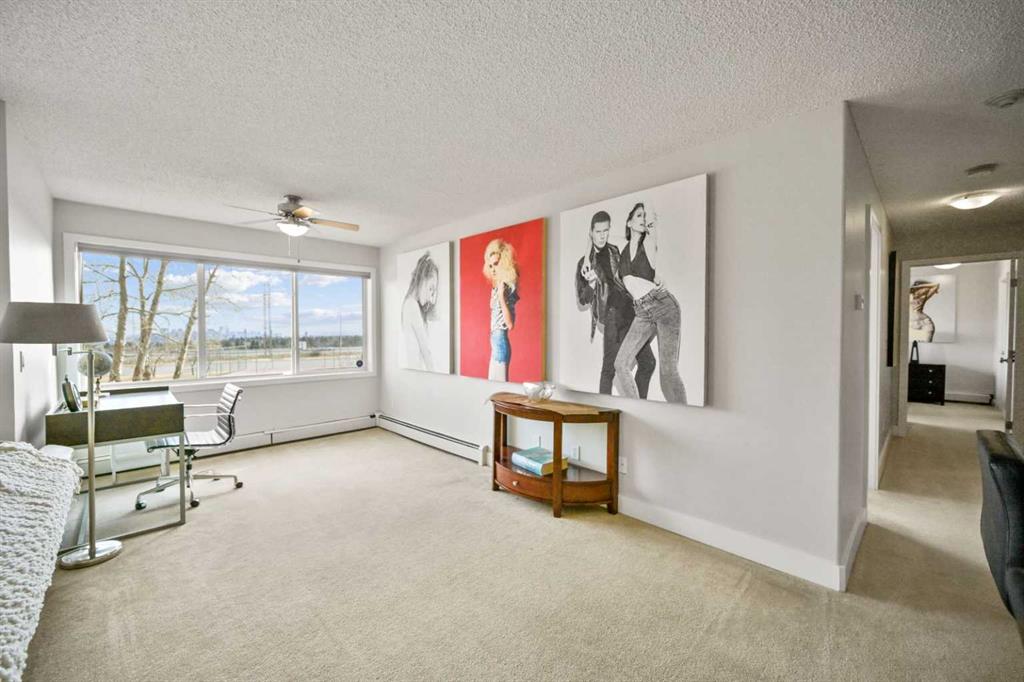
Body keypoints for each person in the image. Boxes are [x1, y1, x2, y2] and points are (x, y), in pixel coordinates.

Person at [613, 202, 687, 403]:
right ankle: (638, 409)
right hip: (641, 312)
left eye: (645, 216)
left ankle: (684, 414)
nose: (643, 219)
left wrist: (649, 216)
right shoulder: (623, 251)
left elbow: (653, 222)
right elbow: (600, 239)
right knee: (621, 364)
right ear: (629, 222)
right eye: (639, 215)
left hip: (662, 306)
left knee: (668, 371)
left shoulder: (648, 242)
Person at [576, 210, 655, 396]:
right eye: (598, 232)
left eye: (606, 231)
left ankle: (638, 404)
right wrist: (591, 284)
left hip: (630, 312)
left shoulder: (614, 251)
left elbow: (623, 280)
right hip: (612, 316)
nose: (602, 236)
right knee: (609, 370)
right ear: (591, 232)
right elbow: (582, 299)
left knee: (648, 363)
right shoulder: (584, 264)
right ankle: (603, 409)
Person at [483, 238, 519, 381]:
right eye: (490, 265)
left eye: (496, 264)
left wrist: (501, 297)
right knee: (492, 386)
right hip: (494, 342)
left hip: (500, 343)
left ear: (504, 263)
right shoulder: (497, 287)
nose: (493, 269)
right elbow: (492, 307)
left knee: (499, 387)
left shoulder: (506, 288)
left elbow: (510, 324)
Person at [401, 252, 439, 370]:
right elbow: (425, 351)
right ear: (423, 280)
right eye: (431, 288)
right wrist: (433, 373)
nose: (431, 298)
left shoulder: (409, 304)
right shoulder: (411, 306)